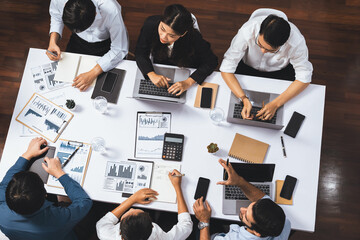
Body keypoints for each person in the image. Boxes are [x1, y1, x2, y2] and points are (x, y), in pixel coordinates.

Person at [220, 8, 313, 120]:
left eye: (271, 50)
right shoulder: (248, 30)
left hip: (279, 72)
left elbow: (304, 77)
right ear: (259, 31)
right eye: (259, 44)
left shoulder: (296, 42)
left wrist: (276, 104)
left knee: (284, 113)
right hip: (247, 67)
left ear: (283, 43)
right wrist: (243, 98)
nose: (262, 51)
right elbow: (227, 67)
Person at [0, 137, 92, 240]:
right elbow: (84, 202)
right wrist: (59, 173)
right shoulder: (58, 219)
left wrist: (28, 154)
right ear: (45, 194)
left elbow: (3, 185)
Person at [193, 159, 291, 240]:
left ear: (257, 233)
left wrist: (204, 221)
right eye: (251, 206)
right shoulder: (283, 223)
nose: (241, 209)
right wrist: (239, 181)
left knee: (197, 222)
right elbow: (262, 198)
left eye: (246, 216)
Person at [135, 4, 218, 96]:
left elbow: (211, 62)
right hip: (160, 62)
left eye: (171, 35)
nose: (163, 37)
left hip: (185, 66)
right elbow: (140, 52)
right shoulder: (150, 23)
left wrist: (188, 82)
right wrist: (151, 74)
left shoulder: (194, 38)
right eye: (162, 29)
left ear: (182, 34)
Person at [47, 0, 129, 91]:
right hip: (77, 41)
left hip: (106, 44)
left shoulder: (110, 7)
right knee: (66, 82)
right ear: (65, 4)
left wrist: (93, 73)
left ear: (95, 13)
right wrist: (53, 42)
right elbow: (56, 16)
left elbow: (119, 48)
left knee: (106, 88)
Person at [96, 169, 192, 240]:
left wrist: (132, 199)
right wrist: (177, 187)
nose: (131, 209)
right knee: (167, 217)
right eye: (139, 211)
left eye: (130, 212)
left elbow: (104, 222)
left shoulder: (106, 234)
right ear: (152, 226)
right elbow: (186, 225)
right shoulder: (161, 238)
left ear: (120, 232)